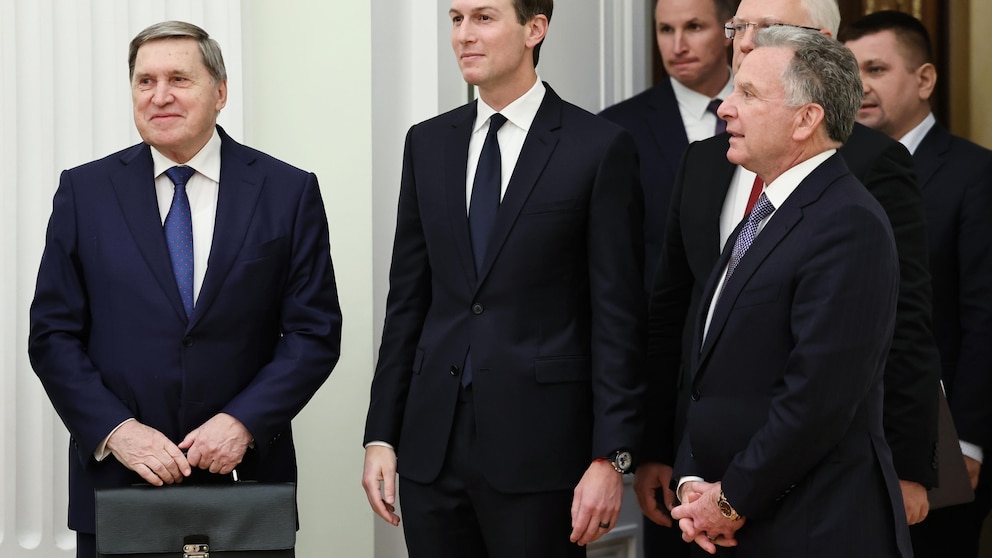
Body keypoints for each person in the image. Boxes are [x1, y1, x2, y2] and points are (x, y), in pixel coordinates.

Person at [27, 21, 342, 558]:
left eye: (178, 79)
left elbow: (313, 333)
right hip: (120, 486)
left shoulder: (287, 191)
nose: (160, 95)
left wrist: (243, 422)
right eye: (145, 81)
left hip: (246, 483)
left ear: (220, 92)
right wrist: (118, 431)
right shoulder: (84, 192)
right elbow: (52, 335)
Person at [635, 0, 941, 544]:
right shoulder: (763, 210)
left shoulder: (848, 219)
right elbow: (698, 349)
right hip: (723, 501)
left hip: (809, 520)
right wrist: (691, 478)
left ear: (806, 119)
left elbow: (819, 397)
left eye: (749, 96)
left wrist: (730, 499)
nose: (725, 108)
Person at [361, 0, 647, 556]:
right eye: (456, 19)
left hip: (542, 452)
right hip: (431, 448)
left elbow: (618, 319)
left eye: (484, 17)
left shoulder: (598, 147)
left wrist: (611, 458)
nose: (464, 35)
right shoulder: (427, 143)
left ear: (534, 29)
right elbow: (408, 303)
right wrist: (381, 434)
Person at [840, 11, 992, 557]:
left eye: (876, 69)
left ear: (925, 79)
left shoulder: (975, 174)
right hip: (845, 443)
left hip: (942, 442)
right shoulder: (834, 172)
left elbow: (985, 318)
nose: (860, 86)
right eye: (850, 71)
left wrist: (969, 442)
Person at [600, 0, 737, 289]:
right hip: (661, 311)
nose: (678, 46)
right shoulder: (617, 129)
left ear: (729, 31)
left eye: (694, 27)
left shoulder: (770, 113)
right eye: (665, 29)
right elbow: (613, 258)